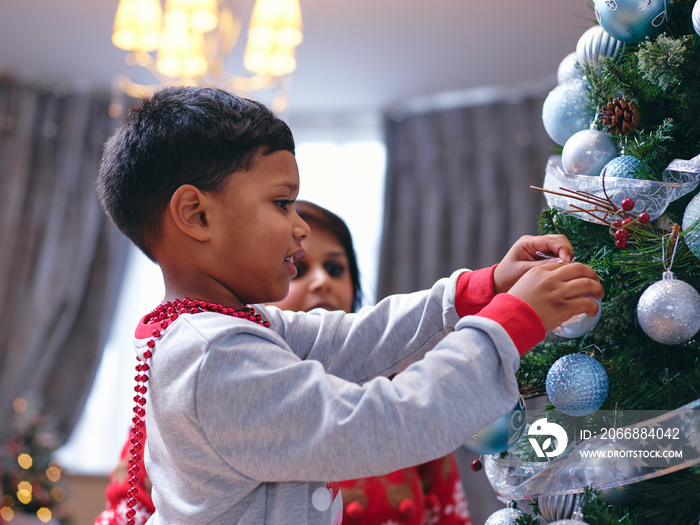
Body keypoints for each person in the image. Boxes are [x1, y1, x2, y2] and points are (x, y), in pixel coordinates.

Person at [95, 85, 603, 524]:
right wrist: (513, 321)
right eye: (281, 202)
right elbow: (383, 425)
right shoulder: (214, 356)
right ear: (196, 215)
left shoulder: (227, 328)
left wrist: (479, 289)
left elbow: (360, 336)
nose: (299, 226)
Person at [268, 200, 471, 524]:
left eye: (335, 269)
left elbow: (448, 514)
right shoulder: (229, 388)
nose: (322, 281)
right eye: (298, 268)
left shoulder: (402, 390)